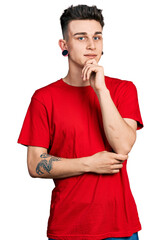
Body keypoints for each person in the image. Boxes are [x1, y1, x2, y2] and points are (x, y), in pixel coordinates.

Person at [17, 4, 144, 240]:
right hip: (68, 227)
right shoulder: (44, 98)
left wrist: (101, 89)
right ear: (64, 46)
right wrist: (89, 164)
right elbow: (35, 164)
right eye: (81, 37)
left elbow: (124, 146)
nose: (91, 45)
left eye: (97, 37)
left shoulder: (123, 89)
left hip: (119, 226)